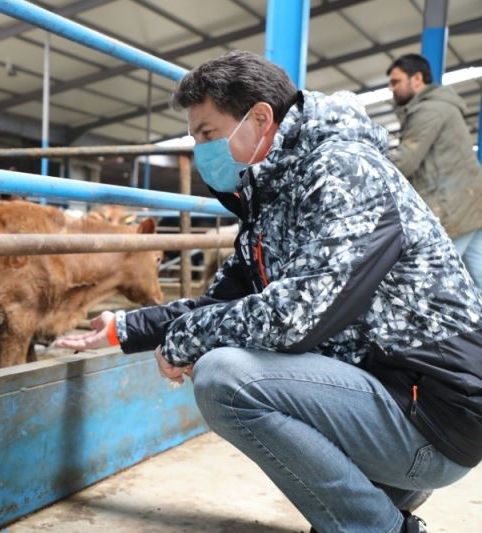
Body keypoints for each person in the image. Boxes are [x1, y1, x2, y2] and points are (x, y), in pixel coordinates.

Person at [56, 50, 482, 533]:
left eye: (208, 134)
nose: (200, 152)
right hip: (390, 397)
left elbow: (296, 319)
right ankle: (384, 494)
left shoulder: (344, 171)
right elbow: (219, 304)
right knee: (225, 350)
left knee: (225, 376)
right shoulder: (272, 196)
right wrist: (127, 327)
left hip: (435, 417)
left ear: (261, 118)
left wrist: (188, 339)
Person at [386, 53, 482, 288]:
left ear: (417, 78)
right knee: (476, 277)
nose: (392, 89)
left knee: (432, 280)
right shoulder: (437, 107)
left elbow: (405, 161)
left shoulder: (430, 110)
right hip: (469, 205)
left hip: (453, 208)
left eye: (396, 82)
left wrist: (369, 163)